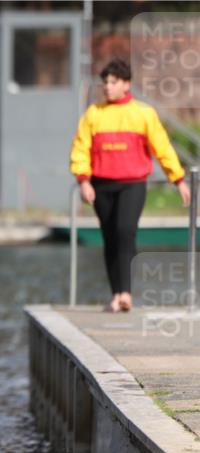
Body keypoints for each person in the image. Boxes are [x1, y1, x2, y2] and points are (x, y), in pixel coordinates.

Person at [69, 58, 191, 313]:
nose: (107, 87)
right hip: (101, 185)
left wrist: (178, 179)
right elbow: (81, 149)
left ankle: (127, 293)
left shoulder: (143, 113)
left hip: (132, 184)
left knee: (125, 231)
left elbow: (163, 147)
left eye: (113, 82)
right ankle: (116, 294)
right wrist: (83, 180)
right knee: (110, 238)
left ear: (127, 84)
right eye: (105, 83)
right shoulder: (94, 114)